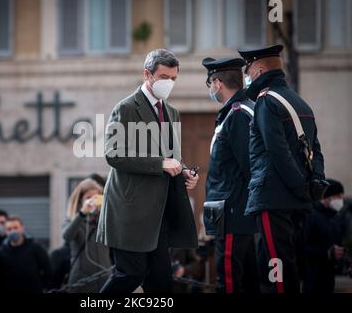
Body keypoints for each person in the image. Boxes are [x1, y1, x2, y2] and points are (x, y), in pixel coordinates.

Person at [97, 49, 199, 293]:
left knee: (161, 282)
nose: (169, 83)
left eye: (173, 79)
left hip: (159, 214)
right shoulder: (126, 108)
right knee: (130, 275)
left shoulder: (172, 111)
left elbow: (172, 155)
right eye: (164, 77)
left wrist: (184, 171)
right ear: (147, 74)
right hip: (130, 214)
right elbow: (114, 154)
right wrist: (160, 163)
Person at [238, 44, 326, 293]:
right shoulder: (301, 103)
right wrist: (313, 183)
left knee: (277, 265)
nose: (247, 75)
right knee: (291, 264)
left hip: (273, 198)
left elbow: (277, 151)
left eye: (248, 68)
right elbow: (316, 150)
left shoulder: (266, 101)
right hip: (299, 200)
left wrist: (298, 187)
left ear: (259, 69)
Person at [201, 57, 259, 293]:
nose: (212, 89)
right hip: (234, 211)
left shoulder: (238, 114)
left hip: (233, 211)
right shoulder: (238, 110)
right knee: (245, 280)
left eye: (211, 83)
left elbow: (249, 165)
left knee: (229, 282)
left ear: (217, 82)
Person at [62, 178, 111, 292]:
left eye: (96, 197)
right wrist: (82, 214)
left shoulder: (104, 220)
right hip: (81, 280)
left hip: (105, 278)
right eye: (88, 198)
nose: (92, 201)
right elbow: (67, 237)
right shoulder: (72, 219)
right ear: (80, 201)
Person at [302, 179, 346, 293]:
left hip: (329, 278)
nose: (341, 200)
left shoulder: (334, 218)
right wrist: (327, 253)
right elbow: (303, 247)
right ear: (328, 196)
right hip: (313, 279)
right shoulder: (311, 216)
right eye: (338, 196)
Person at [0, 216, 52, 293]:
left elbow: (47, 269)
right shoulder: (1, 252)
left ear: (22, 228)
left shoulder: (35, 248)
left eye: (16, 228)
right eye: (9, 229)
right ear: (6, 232)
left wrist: (43, 286)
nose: (13, 231)